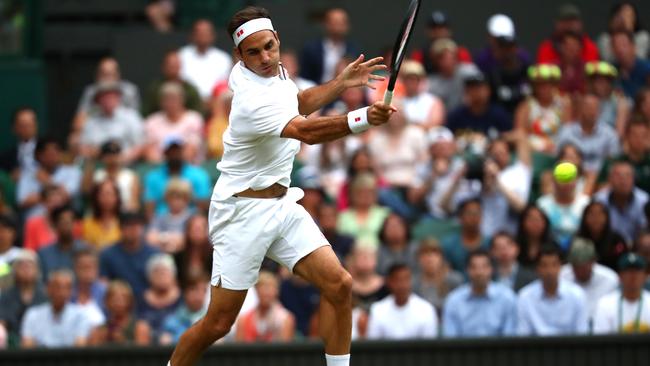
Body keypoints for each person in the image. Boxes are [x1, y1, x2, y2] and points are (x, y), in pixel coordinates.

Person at [168, 6, 395, 366]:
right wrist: (363, 117)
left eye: (269, 47)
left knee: (339, 285)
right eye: (254, 52)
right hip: (241, 214)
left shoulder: (276, 74)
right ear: (238, 56)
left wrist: (340, 83)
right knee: (218, 323)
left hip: (282, 206)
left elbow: (297, 102)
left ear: (278, 41)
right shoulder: (250, 99)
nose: (265, 58)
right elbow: (304, 129)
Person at [443, 250, 517, 337]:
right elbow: (451, 339)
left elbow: (510, 338)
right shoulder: (454, 300)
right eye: (474, 267)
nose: (479, 272)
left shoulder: (507, 297)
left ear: (491, 269)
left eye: (484, 267)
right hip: (463, 350)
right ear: (467, 270)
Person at [517, 245, 588, 336]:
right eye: (544, 265)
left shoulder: (577, 295)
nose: (549, 271)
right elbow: (523, 335)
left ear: (560, 267)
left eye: (554, 265)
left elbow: (581, 333)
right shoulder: (525, 296)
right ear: (537, 269)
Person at [474, 14, 531, 114]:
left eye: (510, 46)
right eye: (502, 45)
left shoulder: (524, 60)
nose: (507, 51)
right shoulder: (483, 60)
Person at [20, 269, 93, 347]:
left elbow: (80, 347)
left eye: (67, 287)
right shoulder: (33, 314)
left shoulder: (80, 315)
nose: (62, 292)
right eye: (57, 287)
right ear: (48, 288)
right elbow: (27, 346)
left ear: (72, 291)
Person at [99, 213, 159, 306]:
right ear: (120, 228)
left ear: (143, 228)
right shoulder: (108, 254)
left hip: (149, 303)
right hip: (118, 304)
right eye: (128, 226)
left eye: (136, 225)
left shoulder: (154, 254)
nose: (133, 230)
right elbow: (103, 284)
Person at [143, 138, 211, 220]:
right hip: (162, 223)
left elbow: (202, 207)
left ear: (182, 151)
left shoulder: (199, 175)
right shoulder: (153, 177)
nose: (174, 154)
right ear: (165, 152)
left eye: (177, 150)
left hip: (190, 222)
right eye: (171, 151)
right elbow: (150, 209)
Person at [79, 82, 145, 164]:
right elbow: (83, 147)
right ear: (97, 100)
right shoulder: (91, 121)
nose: (108, 100)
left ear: (119, 97)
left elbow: (140, 145)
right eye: (104, 97)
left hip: (126, 165)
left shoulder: (131, 117)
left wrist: (120, 160)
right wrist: (94, 153)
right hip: (98, 165)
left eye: (111, 96)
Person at [366, 264, 437, 340]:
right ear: (389, 282)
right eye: (397, 280)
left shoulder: (427, 310)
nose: (402, 285)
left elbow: (429, 347)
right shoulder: (377, 310)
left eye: (406, 279)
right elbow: (375, 343)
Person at [367, 102, 428, 190]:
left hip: (413, 185)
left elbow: (423, 162)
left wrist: (417, 183)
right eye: (392, 113)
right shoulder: (376, 139)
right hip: (387, 187)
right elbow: (375, 168)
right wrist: (384, 183)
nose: (396, 117)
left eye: (398, 113)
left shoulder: (416, 134)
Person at [556, 93, 620, 174]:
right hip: (572, 176)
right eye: (588, 107)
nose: (591, 111)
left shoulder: (609, 134)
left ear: (599, 111)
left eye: (594, 108)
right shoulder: (567, 131)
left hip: (600, 177)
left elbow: (614, 161)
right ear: (581, 109)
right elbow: (558, 158)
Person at [17, 138, 81, 219]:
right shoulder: (29, 174)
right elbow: (22, 201)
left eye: (56, 152)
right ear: (39, 156)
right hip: (35, 220)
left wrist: (47, 182)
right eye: (49, 154)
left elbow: (67, 196)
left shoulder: (72, 171)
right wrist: (52, 194)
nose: (53, 157)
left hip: (62, 221)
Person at [559, 238, 619, 325]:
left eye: (583, 266)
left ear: (593, 262)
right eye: (576, 266)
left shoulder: (610, 279)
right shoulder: (561, 276)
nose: (579, 271)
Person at [514, 64, 571, 153]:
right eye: (539, 84)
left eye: (547, 84)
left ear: (554, 85)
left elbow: (568, 131)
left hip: (558, 149)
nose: (543, 88)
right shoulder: (525, 107)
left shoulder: (564, 104)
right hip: (533, 151)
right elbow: (519, 134)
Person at [144, 82, 204, 165]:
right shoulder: (152, 121)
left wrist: (174, 166)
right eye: (167, 99)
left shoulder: (194, 119)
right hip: (160, 170)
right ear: (161, 101)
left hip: (188, 169)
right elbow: (149, 152)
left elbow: (191, 151)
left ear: (182, 100)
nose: (170, 103)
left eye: (174, 99)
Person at [73, 57, 140, 131]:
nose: (108, 79)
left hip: (123, 132)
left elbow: (136, 120)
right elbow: (79, 121)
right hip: (97, 131)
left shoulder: (129, 91)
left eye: (111, 74)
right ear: (97, 76)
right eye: (104, 74)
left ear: (118, 75)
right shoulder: (91, 91)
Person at [593, 253, 650, 333]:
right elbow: (600, 339)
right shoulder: (605, 303)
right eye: (628, 272)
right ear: (620, 276)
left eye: (637, 271)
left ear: (645, 276)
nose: (633, 276)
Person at [0, 250, 47, 348]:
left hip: (42, 341)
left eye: (30, 265)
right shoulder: (5, 296)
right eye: (22, 266)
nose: (26, 269)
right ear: (14, 271)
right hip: (12, 342)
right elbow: (2, 323)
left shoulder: (45, 295)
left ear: (37, 270)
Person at [300, 8, 359, 84]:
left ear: (347, 25)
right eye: (335, 22)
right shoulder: (311, 49)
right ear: (325, 24)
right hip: (318, 91)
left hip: (345, 92)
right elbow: (304, 78)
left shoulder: (355, 49)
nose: (338, 26)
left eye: (342, 22)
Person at [446, 70, 513, 136]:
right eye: (472, 88)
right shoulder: (456, 116)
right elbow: (447, 137)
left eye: (479, 88)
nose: (476, 92)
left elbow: (509, 135)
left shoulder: (499, 114)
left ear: (488, 90)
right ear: (466, 91)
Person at [595, 161, 648, 244]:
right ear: (609, 179)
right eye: (618, 175)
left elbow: (646, 229)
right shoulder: (599, 200)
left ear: (634, 179)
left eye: (627, 175)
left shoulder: (644, 200)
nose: (623, 180)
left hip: (637, 247)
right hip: (606, 246)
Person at [179, 19, 233, 101]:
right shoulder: (181, 55)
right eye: (199, 33)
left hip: (216, 102)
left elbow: (225, 85)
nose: (202, 36)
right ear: (192, 35)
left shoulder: (223, 58)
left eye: (205, 33)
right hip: (188, 101)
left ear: (212, 36)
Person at [537, 166, 590, 249]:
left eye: (570, 179)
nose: (566, 183)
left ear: (577, 181)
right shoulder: (542, 204)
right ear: (553, 182)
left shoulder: (586, 203)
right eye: (562, 179)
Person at [82, 140, 141, 213]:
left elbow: (134, 202)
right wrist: (91, 160)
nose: (113, 157)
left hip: (123, 214)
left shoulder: (130, 176)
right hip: (100, 214)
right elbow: (85, 190)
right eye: (109, 154)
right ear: (102, 157)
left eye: (116, 154)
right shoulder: (97, 175)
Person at [236, 271, 295, 343]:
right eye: (263, 288)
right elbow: (239, 349)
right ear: (257, 291)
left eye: (270, 288)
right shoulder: (243, 320)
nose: (266, 292)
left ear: (277, 291)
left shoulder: (285, 319)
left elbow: (284, 350)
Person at [88, 280, 151, 345]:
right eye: (114, 298)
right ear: (107, 301)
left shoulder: (139, 328)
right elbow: (92, 354)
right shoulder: (99, 331)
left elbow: (143, 354)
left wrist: (123, 342)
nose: (119, 302)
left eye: (123, 298)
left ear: (130, 301)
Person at [336, 173, 391, 248]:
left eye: (369, 192)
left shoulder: (385, 214)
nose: (365, 196)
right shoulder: (342, 216)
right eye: (361, 192)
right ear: (352, 194)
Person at [142, 50, 203, 116]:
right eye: (170, 65)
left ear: (180, 66)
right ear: (163, 66)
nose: (173, 68)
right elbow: (146, 112)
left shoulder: (190, 89)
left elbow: (198, 112)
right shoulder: (155, 89)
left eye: (175, 65)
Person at [599, 118, 650, 194]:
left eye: (643, 136)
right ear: (627, 137)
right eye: (635, 135)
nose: (639, 139)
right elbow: (601, 193)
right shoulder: (613, 162)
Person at [412, 238, 463, 314]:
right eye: (425, 254)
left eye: (434, 254)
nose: (429, 259)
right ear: (418, 259)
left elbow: (460, 308)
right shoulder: (413, 283)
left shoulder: (454, 280)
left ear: (441, 258)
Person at [138, 254, 182, 341]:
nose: (161, 276)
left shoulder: (183, 299)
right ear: (149, 276)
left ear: (173, 275)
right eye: (157, 272)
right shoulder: (141, 301)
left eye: (165, 272)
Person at [37, 205, 88, 280]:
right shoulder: (44, 254)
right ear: (54, 225)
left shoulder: (85, 251)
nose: (67, 225)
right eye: (63, 222)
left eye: (70, 222)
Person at [441, 198, 490, 274]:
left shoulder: (489, 242)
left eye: (477, 213)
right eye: (470, 213)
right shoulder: (449, 244)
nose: (474, 217)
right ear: (460, 217)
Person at [427, 39, 478, 111]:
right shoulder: (431, 82)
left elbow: (481, 93)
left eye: (450, 55)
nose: (447, 59)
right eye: (441, 57)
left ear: (456, 56)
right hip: (445, 120)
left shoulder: (469, 71)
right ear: (434, 60)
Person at [576, 201, 629, 271]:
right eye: (592, 214)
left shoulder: (617, 240)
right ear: (585, 218)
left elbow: (624, 265)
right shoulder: (578, 240)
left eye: (600, 214)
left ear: (607, 217)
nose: (596, 218)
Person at [146, 179, 194, 254]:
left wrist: (162, 238)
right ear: (167, 198)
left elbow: (191, 240)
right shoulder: (160, 217)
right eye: (173, 198)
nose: (176, 201)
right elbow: (150, 239)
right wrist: (169, 239)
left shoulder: (192, 217)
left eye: (180, 198)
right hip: (162, 255)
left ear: (187, 199)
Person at [159, 273, 208, 345]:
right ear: (184, 292)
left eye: (203, 290)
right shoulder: (170, 322)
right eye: (193, 289)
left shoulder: (212, 321)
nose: (199, 294)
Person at [585, 61, 630, 135]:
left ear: (611, 83)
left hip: (610, 143)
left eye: (604, 80)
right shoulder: (585, 101)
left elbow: (619, 134)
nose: (600, 85)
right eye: (596, 80)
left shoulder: (620, 103)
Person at [399, 60, 445, 128]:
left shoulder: (433, 101)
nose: (411, 82)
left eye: (415, 79)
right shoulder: (396, 101)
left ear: (420, 80)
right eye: (408, 79)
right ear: (403, 80)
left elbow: (435, 124)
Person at [82, 180, 122, 250]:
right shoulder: (87, 224)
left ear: (117, 197)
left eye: (110, 194)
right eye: (103, 194)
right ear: (96, 197)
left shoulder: (123, 223)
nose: (107, 198)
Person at [173, 215, 212, 286]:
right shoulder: (179, 256)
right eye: (194, 229)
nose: (197, 232)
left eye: (200, 229)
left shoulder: (213, 255)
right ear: (188, 231)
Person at [71, 249, 107, 327]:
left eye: (91, 267)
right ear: (75, 269)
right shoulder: (68, 293)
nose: (88, 271)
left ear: (97, 269)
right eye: (83, 267)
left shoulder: (106, 292)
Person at [0, 106, 39, 178]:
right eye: (23, 125)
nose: (27, 129)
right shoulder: (5, 157)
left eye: (30, 125)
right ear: (14, 128)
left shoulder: (48, 151)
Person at [348, 243, 388, 310]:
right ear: (353, 260)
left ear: (376, 260)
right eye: (361, 256)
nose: (366, 260)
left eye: (370, 256)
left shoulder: (386, 285)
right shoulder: (347, 285)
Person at [611, 30, 650, 99]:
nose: (620, 49)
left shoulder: (646, 68)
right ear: (612, 50)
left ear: (633, 47)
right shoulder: (611, 70)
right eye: (616, 46)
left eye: (624, 45)